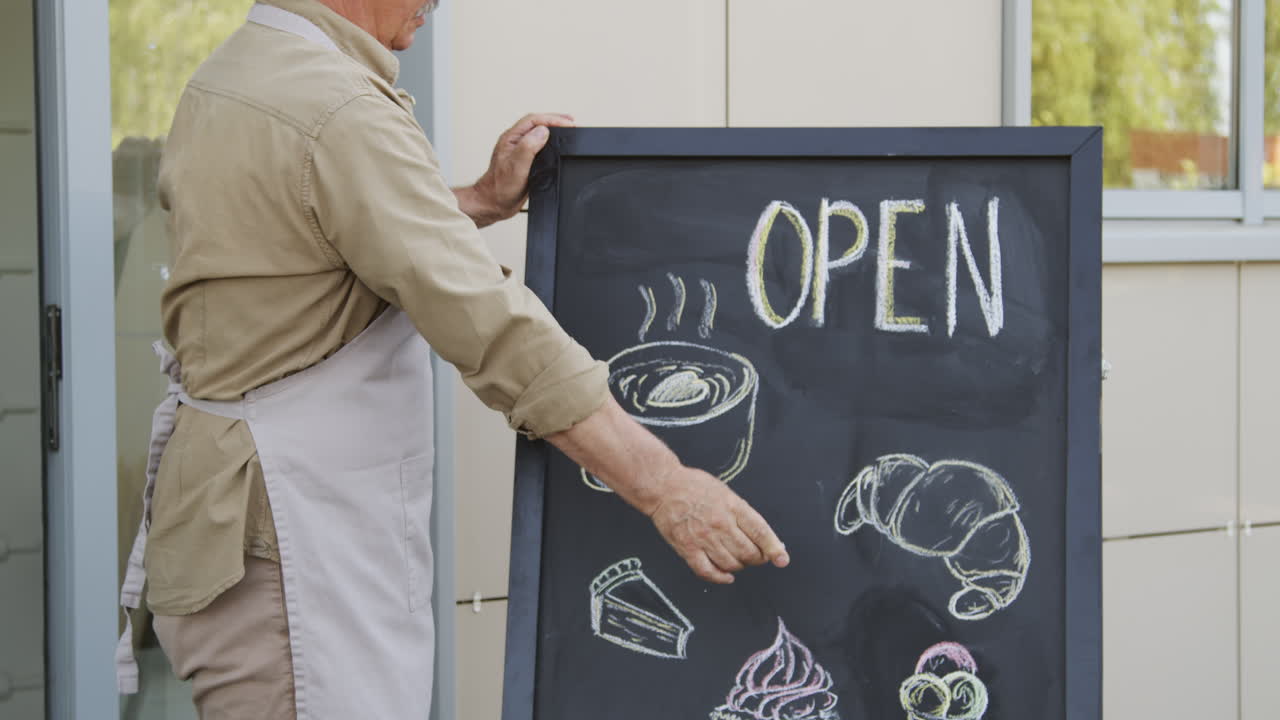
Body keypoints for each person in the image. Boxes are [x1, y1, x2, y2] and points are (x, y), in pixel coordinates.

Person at [113, 0, 790, 717]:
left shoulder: (242, 70)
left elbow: (318, 235)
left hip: (254, 521)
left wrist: (478, 201)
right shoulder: (335, 108)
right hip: (290, 542)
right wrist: (665, 485)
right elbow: (490, 325)